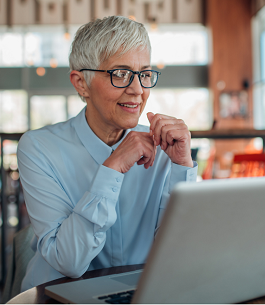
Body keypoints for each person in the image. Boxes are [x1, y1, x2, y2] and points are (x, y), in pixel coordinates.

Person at [17, 16, 198, 291]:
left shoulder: (164, 147)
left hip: (141, 293)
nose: (137, 90)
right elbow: (70, 262)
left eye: (144, 74)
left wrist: (182, 168)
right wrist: (111, 168)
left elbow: (180, 253)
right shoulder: (38, 149)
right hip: (58, 295)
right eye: (120, 74)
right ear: (81, 83)